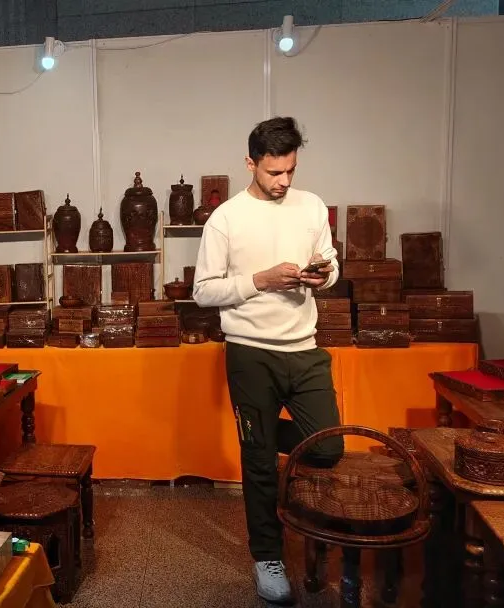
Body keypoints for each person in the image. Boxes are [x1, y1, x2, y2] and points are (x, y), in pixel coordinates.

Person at [192, 116, 344, 604]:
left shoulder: (311, 205)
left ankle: (254, 435)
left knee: (327, 447)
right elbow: (203, 291)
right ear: (250, 163)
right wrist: (262, 280)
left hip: (303, 346)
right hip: (249, 351)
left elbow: (330, 261)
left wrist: (324, 275)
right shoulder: (226, 219)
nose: (284, 181)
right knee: (259, 464)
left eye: (291, 171)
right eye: (274, 172)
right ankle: (267, 558)